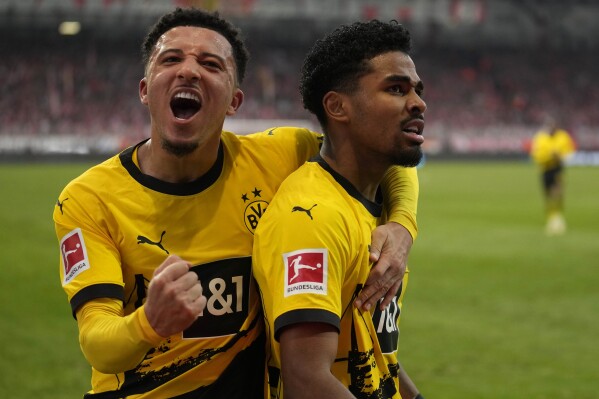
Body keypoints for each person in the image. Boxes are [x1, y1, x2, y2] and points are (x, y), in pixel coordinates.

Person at [53, 8, 420, 399]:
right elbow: (96, 341)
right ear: (145, 90)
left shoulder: (278, 155)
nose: (189, 71)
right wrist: (149, 322)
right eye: (171, 59)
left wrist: (402, 226)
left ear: (234, 100)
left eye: (211, 64)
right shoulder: (88, 199)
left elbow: (377, 148)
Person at [252, 19, 425, 399]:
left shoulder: (374, 203)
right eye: (396, 89)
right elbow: (306, 379)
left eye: (416, 89)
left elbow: (378, 355)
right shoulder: (311, 217)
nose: (418, 102)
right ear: (337, 106)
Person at [529, 117, 576, 235]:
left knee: (557, 192)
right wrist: (549, 156)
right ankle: (552, 217)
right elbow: (536, 154)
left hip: (557, 168)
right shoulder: (540, 138)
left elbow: (569, 152)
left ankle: (557, 216)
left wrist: (559, 156)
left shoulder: (563, 137)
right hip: (545, 169)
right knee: (547, 194)